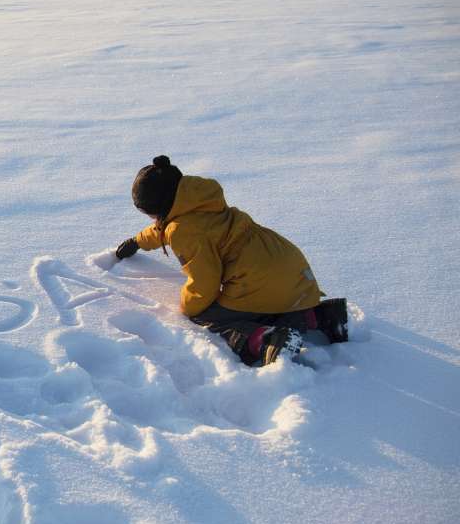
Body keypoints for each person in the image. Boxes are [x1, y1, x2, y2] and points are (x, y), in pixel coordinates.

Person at [113, 155, 348, 366]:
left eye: (150, 214)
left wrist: (187, 308)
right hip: (288, 264)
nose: (153, 220)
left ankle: (264, 340)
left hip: (258, 279)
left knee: (207, 314)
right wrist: (137, 241)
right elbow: (165, 229)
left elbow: (205, 283)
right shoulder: (201, 201)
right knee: (266, 299)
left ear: (159, 208)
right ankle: (317, 316)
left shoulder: (182, 230)